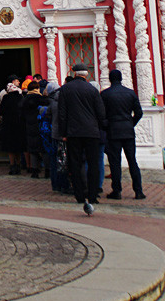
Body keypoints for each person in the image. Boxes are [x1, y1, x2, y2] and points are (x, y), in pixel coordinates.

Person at [57, 63, 107, 215]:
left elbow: (62, 113)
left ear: (74, 74)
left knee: (75, 163)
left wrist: (63, 132)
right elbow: (101, 113)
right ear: (86, 75)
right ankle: (92, 194)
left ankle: (79, 193)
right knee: (93, 163)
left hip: (73, 132)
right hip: (91, 132)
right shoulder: (92, 90)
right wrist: (100, 128)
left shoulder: (66, 89)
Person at [101, 69, 145, 200]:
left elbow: (102, 114)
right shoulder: (130, 93)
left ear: (110, 79)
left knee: (115, 162)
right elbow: (139, 113)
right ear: (121, 78)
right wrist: (130, 123)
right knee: (132, 161)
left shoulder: (106, 94)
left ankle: (117, 190)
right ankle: (138, 191)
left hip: (113, 131)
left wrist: (107, 125)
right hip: (128, 131)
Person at [22, 80, 49, 179]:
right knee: (44, 149)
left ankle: (34, 171)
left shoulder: (24, 100)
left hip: (29, 127)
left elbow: (21, 115)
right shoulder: (41, 99)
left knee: (33, 150)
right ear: (37, 89)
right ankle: (47, 171)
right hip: (41, 126)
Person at [0, 79, 25, 174]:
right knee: (18, 147)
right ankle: (18, 165)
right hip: (19, 125)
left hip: (8, 126)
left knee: (10, 148)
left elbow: (1, 111)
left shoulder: (6, 98)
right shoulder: (21, 97)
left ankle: (12, 165)